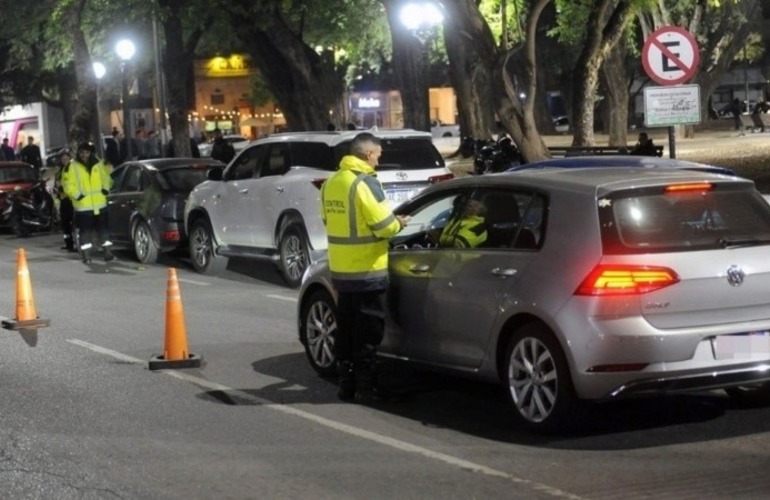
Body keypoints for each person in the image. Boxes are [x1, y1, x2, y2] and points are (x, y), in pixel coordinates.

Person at [320, 132, 410, 402]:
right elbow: (383, 226)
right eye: (378, 156)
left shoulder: (331, 183)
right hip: (368, 270)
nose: (378, 161)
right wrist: (399, 223)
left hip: (341, 270)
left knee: (346, 327)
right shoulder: (365, 183)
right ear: (368, 154)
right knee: (369, 331)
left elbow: (327, 221)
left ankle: (346, 384)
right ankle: (366, 386)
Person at [61, 142, 114, 263]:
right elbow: (67, 184)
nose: (84, 155)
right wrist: (78, 195)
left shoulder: (99, 163)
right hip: (83, 207)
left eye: (86, 152)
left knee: (104, 230)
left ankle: (107, 252)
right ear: (78, 153)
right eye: (81, 152)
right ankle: (86, 255)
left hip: (100, 204)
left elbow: (106, 178)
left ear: (90, 153)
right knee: (85, 233)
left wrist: (105, 189)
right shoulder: (71, 166)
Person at [53, 150, 76, 252]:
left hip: (72, 199)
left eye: (66, 158)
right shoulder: (60, 171)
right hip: (63, 199)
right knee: (65, 223)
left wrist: (62, 188)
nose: (65, 160)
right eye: (63, 159)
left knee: (73, 222)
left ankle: (75, 243)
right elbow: (57, 183)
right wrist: (56, 189)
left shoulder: (73, 169)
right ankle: (68, 244)